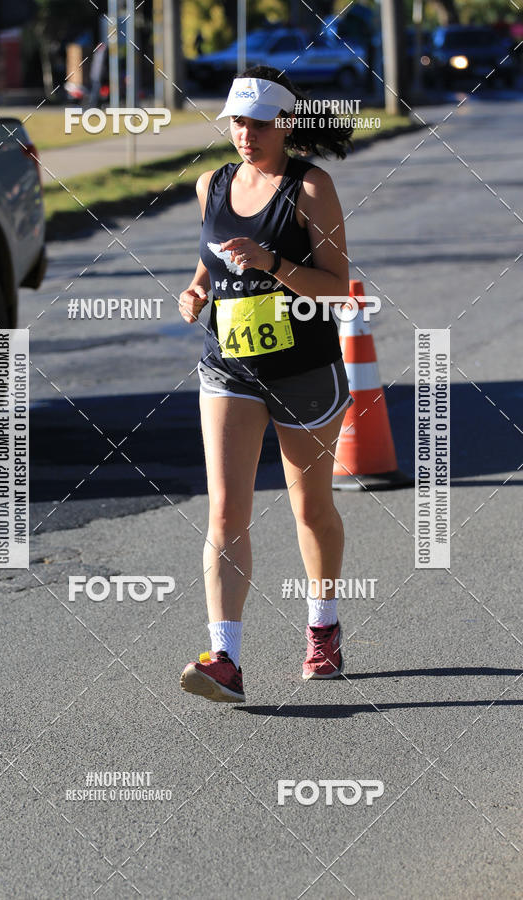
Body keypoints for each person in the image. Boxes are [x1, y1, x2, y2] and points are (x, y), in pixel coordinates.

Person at [178, 65, 354, 703]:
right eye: (236, 123)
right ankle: (224, 656)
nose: (245, 134)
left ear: (285, 125)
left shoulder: (310, 188)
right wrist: (197, 288)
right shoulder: (213, 184)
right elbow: (209, 254)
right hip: (228, 368)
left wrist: (274, 264)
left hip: (303, 371)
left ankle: (323, 626)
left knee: (310, 509)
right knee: (225, 511)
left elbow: (340, 286)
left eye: (258, 123)